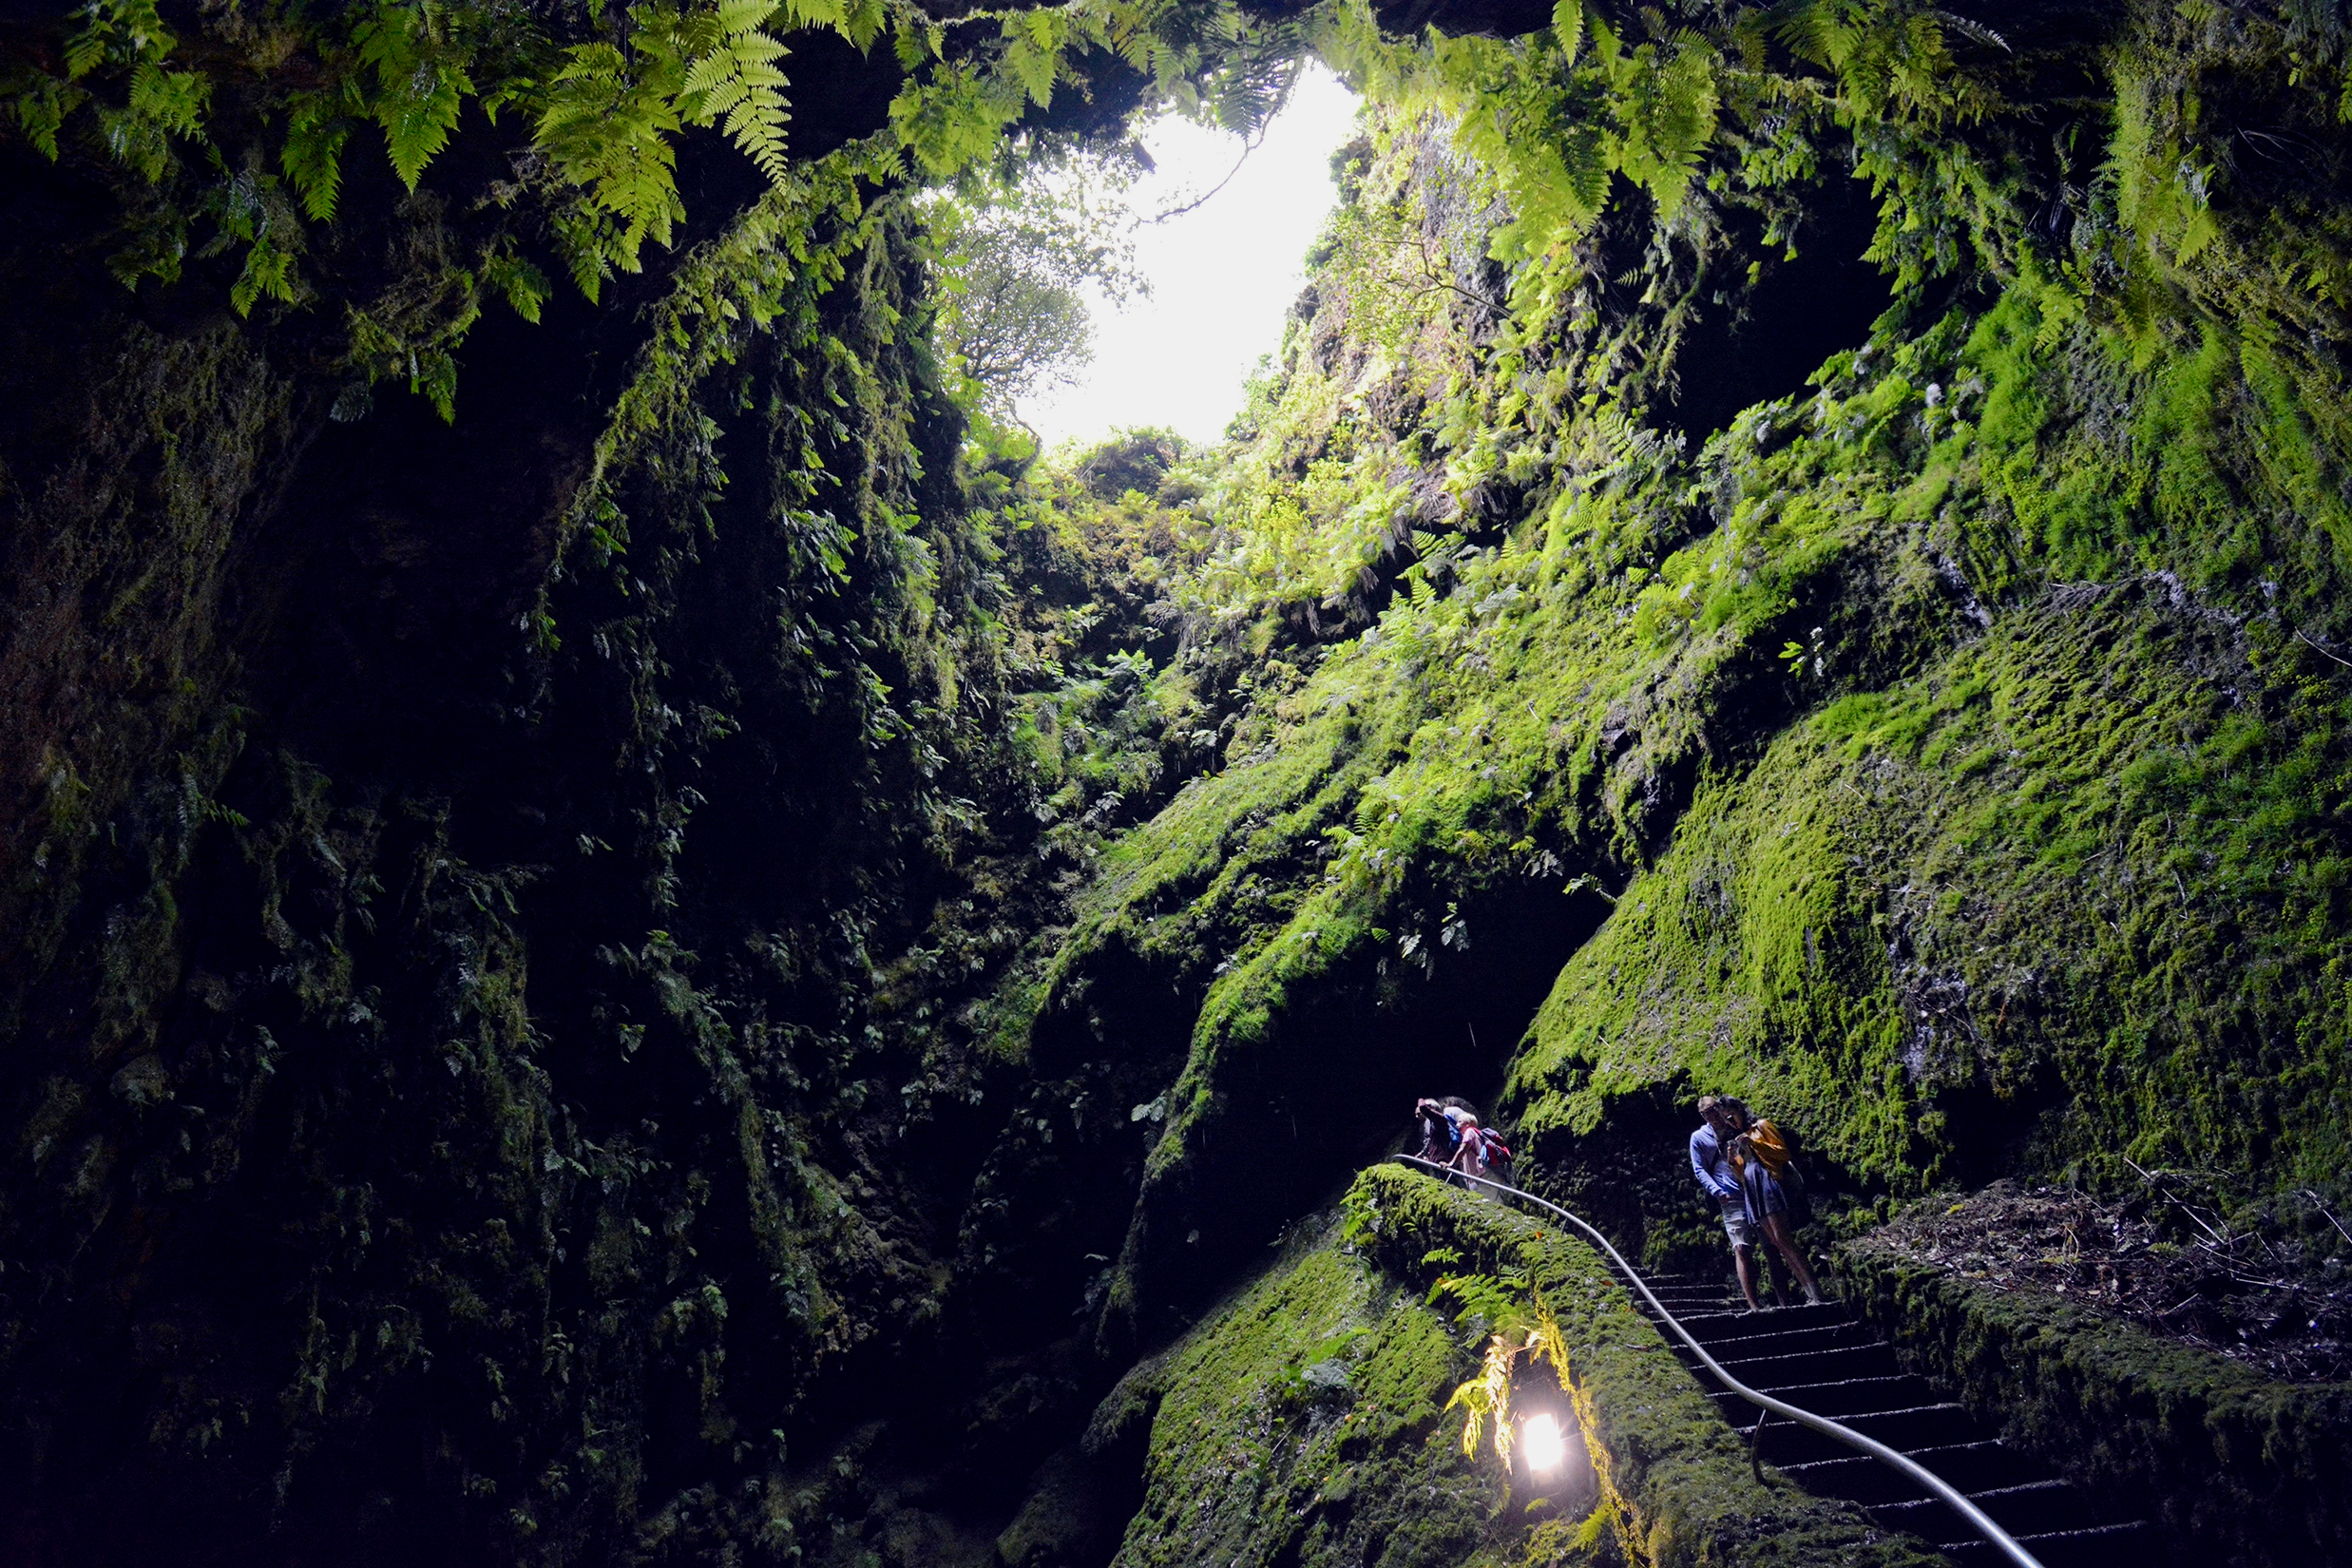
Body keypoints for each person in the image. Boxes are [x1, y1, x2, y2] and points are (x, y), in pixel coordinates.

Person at [1727, 1108, 1825, 1307]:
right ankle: (1809, 1293)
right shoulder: (1739, 1137)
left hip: (1768, 1183)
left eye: (1731, 1116)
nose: (1729, 1121)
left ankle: (1816, 1293)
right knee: (1777, 1244)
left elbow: (1782, 1153)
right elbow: (1741, 1172)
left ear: (1739, 1110)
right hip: (1753, 1189)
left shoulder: (1760, 1126)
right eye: (1725, 1119)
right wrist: (1731, 1160)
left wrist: (1754, 1143)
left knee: (1784, 1239)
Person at [1690, 1095, 1768, 1310]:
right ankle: (1754, 1305)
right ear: (1702, 1115)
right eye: (1707, 1112)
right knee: (1741, 1247)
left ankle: (1783, 1300)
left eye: (1715, 1108)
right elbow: (1699, 1169)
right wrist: (1716, 1191)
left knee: (1771, 1245)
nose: (1713, 1115)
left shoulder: (1737, 1124)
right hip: (1729, 1196)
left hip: (1754, 1189)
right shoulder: (1699, 1137)